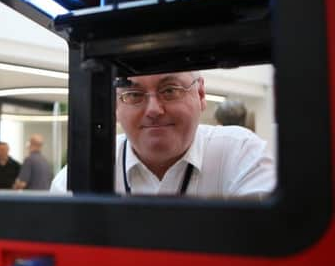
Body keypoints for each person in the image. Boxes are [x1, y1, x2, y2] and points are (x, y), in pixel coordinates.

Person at [50, 72, 275, 198]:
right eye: (134, 94)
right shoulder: (80, 176)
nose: (153, 110)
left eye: (170, 90)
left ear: (200, 93)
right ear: (115, 106)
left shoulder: (241, 153)